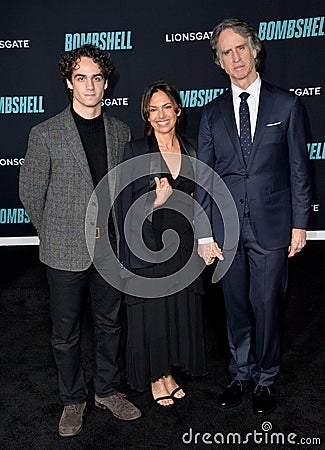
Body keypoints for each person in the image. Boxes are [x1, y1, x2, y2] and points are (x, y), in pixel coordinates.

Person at [19, 44, 141, 437]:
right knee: (65, 333)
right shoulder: (45, 133)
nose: (90, 86)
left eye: (97, 78)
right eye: (81, 78)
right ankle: (73, 399)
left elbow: (123, 192)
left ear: (106, 83)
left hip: (109, 249)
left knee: (110, 325)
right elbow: (31, 194)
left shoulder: (120, 131)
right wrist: (55, 233)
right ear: (69, 82)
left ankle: (107, 390)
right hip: (63, 251)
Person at [195, 18, 311, 416]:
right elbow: (205, 179)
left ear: (254, 49)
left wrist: (300, 224)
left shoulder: (287, 104)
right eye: (226, 53)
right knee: (236, 307)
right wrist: (204, 233)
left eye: (240, 48)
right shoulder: (210, 115)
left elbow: (300, 169)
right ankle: (240, 374)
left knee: (267, 305)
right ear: (220, 62)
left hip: (274, 227)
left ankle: (265, 378)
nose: (235, 57)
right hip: (227, 230)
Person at [119, 80, 208, 407]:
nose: (161, 115)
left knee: (175, 310)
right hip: (148, 244)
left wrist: (207, 237)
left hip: (184, 245)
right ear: (146, 114)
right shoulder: (135, 151)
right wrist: (155, 202)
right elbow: (122, 207)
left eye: (166, 107)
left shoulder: (192, 148)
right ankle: (156, 377)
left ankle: (168, 371)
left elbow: (203, 198)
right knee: (154, 314)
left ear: (178, 110)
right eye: (153, 109)